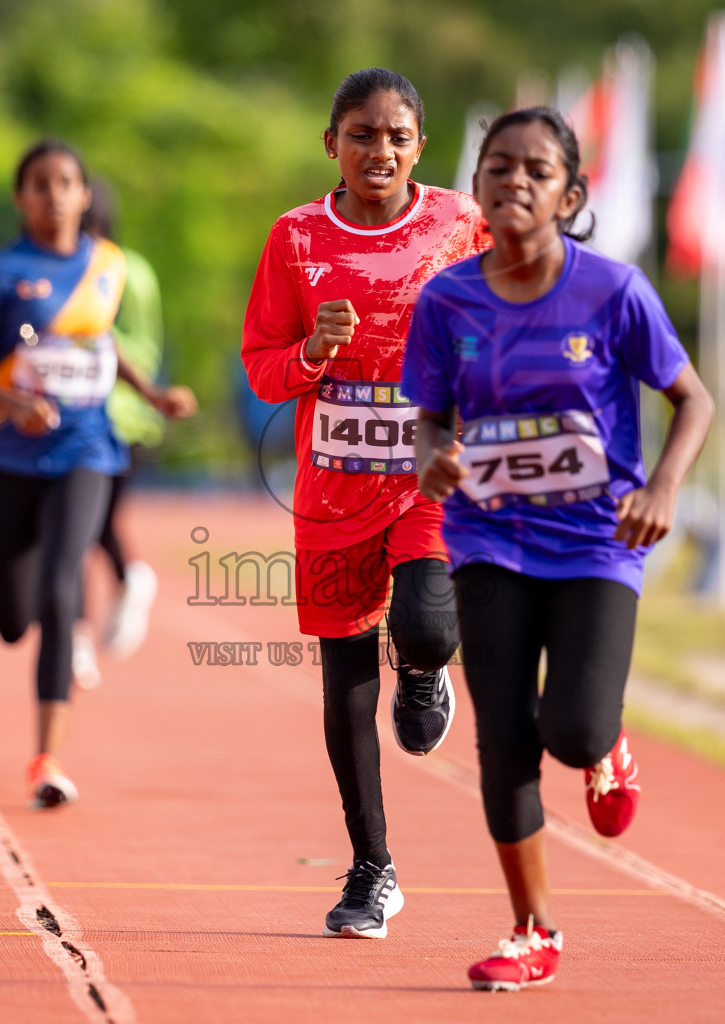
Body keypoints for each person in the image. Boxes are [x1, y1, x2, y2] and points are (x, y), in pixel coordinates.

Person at [403, 107, 713, 992]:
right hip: (488, 537)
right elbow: (430, 417)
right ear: (477, 187)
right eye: (498, 167)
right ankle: (533, 930)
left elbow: (693, 399)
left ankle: (607, 747)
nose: (514, 183)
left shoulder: (614, 292)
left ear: (570, 194)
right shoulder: (448, 301)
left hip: (594, 541)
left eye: (536, 170)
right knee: (504, 741)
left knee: (572, 730)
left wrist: (661, 490)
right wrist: (434, 457)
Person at [242, 68, 487, 939]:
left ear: (421, 145)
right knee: (345, 687)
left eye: (396, 136)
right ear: (331, 145)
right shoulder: (296, 238)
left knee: (424, 624)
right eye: (360, 135)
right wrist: (311, 349)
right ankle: (371, 870)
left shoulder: (461, 223)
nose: (378, 150)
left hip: (426, 476)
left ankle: (423, 667)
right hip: (333, 489)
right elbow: (261, 364)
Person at [0, 138, 197, 809]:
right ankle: (12, 592)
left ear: (85, 195)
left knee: (64, 588)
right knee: (13, 618)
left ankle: (46, 758)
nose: (53, 194)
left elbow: (103, 345)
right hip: (4, 463)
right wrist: (13, 404)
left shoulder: (109, 267)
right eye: (38, 183)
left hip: (87, 449)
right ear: (20, 198)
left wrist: (152, 395)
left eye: (65, 182)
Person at [70, 179, 165, 687]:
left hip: (113, 418)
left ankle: (82, 635)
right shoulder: (104, 269)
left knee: (82, 530)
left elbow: (135, 346)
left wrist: (84, 341)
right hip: (94, 416)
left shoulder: (118, 271)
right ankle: (128, 581)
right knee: (88, 527)